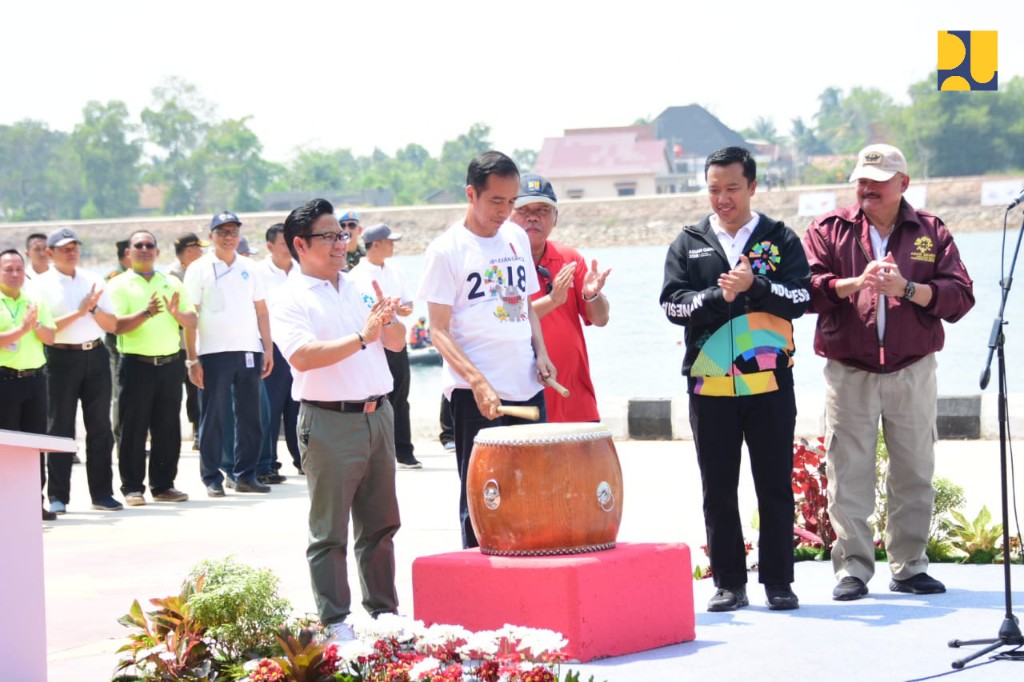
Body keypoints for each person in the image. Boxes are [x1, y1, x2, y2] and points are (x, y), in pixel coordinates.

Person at [802, 143, 975, 601]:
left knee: (914, 470)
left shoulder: (930, 231)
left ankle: (910, 566)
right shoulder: (829, 228)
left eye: (878, 182)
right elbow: (807, 291)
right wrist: (853, 284)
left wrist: (908, 288)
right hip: (849, 370)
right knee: (847, 470)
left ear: (903, 184)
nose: (867, 188)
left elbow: (960, 296)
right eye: (861, 179)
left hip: (912, 369)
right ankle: (853, 570)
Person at [660, 146, 810, 612]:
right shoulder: (688, 242)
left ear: (752, 186)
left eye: (732, 188)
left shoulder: (779, 237)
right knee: (718, 487)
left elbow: (802, 297)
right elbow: (671, 305)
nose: (722, 199)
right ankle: (728, 582)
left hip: (768, 380)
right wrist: (711, 296)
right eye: (713, 189)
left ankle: (779, 582)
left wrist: (756, 287)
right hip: (710, 383)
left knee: (774, 485)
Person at [269, 198, 404, 641]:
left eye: (342, 235)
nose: (340, 244)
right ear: (300, 245)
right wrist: (362, 337)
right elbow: (303, 357)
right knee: (329, 531)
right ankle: (335, 620)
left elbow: (398, 345)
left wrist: (388, 323)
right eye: (328, 237)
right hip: (329, 421)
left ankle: (384, 612)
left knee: (381, 522)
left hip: (377, 415)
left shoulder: (359, 284)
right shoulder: (289, 296)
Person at [418, 150, 555, 549]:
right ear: (471, 195)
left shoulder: (514, 236)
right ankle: (479, 578)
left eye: (511, 202)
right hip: (475, 393)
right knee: (483, 493)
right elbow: (438, 330)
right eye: (497, 201)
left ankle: (528, 571)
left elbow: (525, 303)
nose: (505, 211)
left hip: (525, 383)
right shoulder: (446, 250)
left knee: (529, 489)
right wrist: (476, 381)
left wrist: (541, 353)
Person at [30, 228, 122, 513]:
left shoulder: (93, 280)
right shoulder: (40, 284)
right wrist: (81, 310)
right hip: (60, 359)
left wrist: (92, 310)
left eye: (74, 247)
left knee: (100, 427)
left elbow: (112, 324)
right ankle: (59, 496)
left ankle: (102, 493)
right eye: (64, 248)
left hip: (94, 354)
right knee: (60, 428)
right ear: (50, 253)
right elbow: (46, 329)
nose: (71, 252)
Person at [184, 211, 274, 497]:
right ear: (211, 236)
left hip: (248, 349)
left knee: (250, 417)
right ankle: (212, 476)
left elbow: (261, 309)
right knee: (214, 416)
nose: (228, 237)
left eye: (233, 231)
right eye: (222, 232)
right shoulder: (198, 268)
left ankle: (246, 474)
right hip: (213, 352)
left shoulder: (250, 267)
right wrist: (192, 358)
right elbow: (190, 316)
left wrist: (267, 348)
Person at [510, 173, 611, 422]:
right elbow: (511, 319)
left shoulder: (569, 258)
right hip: (525, 398)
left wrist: (592, 295)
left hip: (574, 397)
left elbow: (601, 319)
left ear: (555, 218)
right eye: (524, 210)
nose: (533, 217)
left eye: (543, 210)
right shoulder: (501, 261)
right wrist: (553, 299)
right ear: (508, 215)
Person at [107, 231, 196, 506]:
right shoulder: (119, 285)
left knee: (167, 428)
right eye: (139, 245)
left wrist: (177, 315)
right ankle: (132, 488)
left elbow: (192, 319)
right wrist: (146, 313)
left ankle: (163, 485)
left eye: (150, 245)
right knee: (133, 429)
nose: (145, 249)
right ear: (129, 253)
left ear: (157, 252)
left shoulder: (171, 282)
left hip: (169, 364)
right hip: (136, 365)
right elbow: (116, 325)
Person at [350, 223, 420, 469]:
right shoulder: (357, 275)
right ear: (376, 244)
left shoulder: (396, 270)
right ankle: (374, 449)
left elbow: (409, 305)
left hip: (395, 340)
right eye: (389, 241)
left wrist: (401, 310)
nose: (393, 245)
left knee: (401, 395)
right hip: (371, 345)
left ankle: (404, 450)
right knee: (373, 397)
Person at [0, 249, 57, 520]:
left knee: (35, 444)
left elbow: (51, 337)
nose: (14, 274)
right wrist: (21, 329)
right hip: (5, 380)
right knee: (8, 447)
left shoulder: (34, 300)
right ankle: (8, 504)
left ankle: (35, 502)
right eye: (8, 269)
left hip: (35, 380)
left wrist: (34, 326)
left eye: (18, 269)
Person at [254, 223, 301, 478]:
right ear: (270, 246)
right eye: (284, 244)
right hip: (271, 347)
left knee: (298, 405)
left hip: (299, 345)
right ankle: (267, 463)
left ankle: (303, 459)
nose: (289, 249)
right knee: (270, 408)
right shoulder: (258, 273)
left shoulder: (302, 270)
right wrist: (266, 348)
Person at [169, 232, 208, 451]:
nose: (202, 253)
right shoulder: (172, 276)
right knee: (177, 391)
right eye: (198, 249)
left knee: (196, 390)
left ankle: (198, 432)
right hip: (177, 344)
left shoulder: (200, 271)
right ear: (189, 250)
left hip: (197, 342)